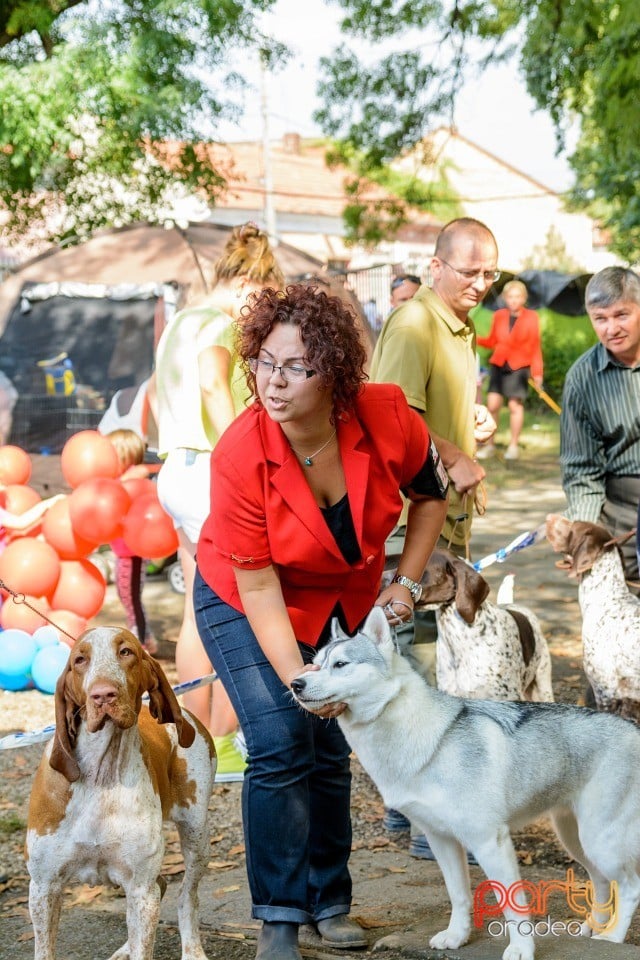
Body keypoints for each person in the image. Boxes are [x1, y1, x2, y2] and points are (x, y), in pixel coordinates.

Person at [194, 284, 448, 960]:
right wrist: (308, 682)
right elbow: (257, 585)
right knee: (282, 736)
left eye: (297, 367)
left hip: (342, 595)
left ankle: (327, 900)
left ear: (334, 370)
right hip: (245, 596)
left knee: (333, 747)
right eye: (264, 363)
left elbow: (432, 494)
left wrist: (407, 582)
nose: (274, 383)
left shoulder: (386, 414)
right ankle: (278, 918)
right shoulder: (241, 452)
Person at [369, 217, 498, 857]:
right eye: (469, 270)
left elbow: (427, 411)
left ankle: (409, 812)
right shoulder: (415, 322)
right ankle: (423, 819)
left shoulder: (457, 329)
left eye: (489, 273)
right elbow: (392, 413)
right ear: (436, 265)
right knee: (411, 668)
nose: (480, 282)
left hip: (447, 528)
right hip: (406, 528)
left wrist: (470, 426)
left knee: (429, 669)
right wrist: (453, 451)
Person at [154, 222, 284, 780]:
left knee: (195, 611)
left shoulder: (176, 322)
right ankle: (229, 741)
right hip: (210, 471)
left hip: (174, 470)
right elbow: (212, 382)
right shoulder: (220, 324)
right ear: (245, 284)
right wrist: (244, 453)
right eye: (263, 296)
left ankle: (193, 740)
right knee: (242, 608)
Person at [560, 265, 640, 590]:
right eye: (600, 318)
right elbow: (582, 471)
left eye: (622, 315)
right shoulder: (582, 379)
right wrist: (584, 533)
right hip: (622, 512)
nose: (611, 329)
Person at [476, 279, 543, 461]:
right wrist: (473, 336)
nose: (513, 300)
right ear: (505, 298)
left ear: (524, 298)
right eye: (510, 297)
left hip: (519, 366)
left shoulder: (531, 317)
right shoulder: (499, 315)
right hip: (499, 363)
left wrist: (537, 373)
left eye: (517, 296)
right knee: (492, 406)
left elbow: (535, 346)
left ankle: (513, 445)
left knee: (515, 406)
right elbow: (492, 341)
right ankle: (489, 445)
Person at [106, 428, 157, 653]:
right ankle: (147, 638)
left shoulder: (133, 476)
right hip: (121, 551)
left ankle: (141, 644)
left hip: (133, 553)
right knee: (125, 596)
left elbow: (144, 471)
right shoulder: (116, 480)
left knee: (132, 598)